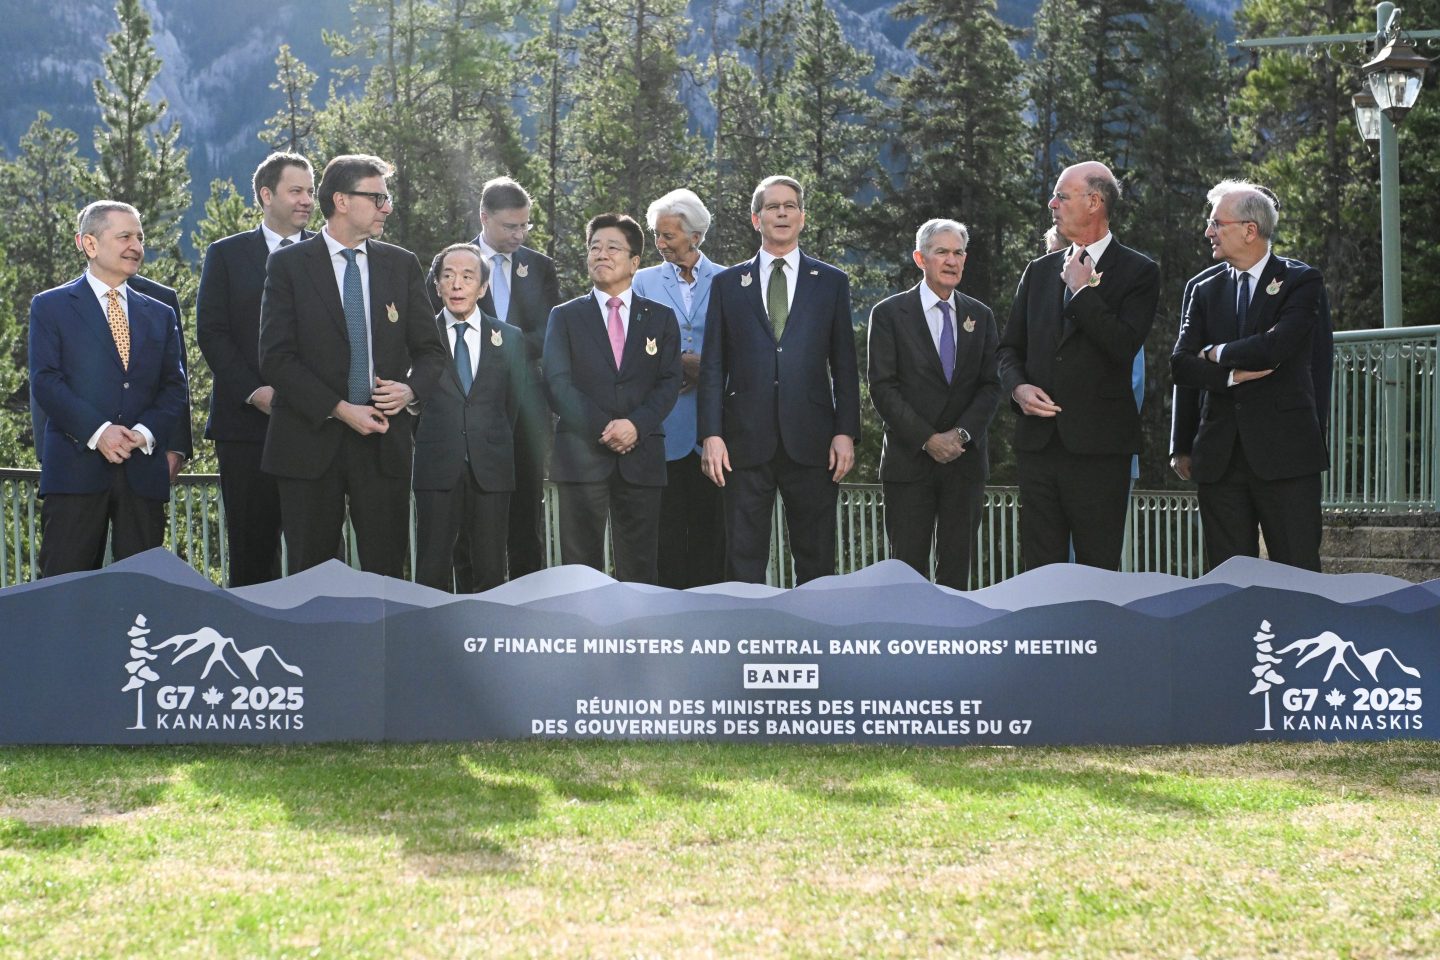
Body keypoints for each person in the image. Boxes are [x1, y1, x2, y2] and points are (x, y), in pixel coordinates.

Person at [258, 154, 447, 578]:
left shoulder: (400, 264)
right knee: (313, 577)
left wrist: (411, 390)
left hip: (383, 443)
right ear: (341, 200)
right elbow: (276, 358)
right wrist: (341, 409)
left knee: (386, 574)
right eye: (377, 197)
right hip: (309, 444)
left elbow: (432, 352)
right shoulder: (288, 264)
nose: (387, 206)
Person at [698, 175, 861, 585]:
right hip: (742, 443)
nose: (782, 213)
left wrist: (846, 432)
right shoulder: (727, 285)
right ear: (757, 219)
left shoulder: (832, 283)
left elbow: (845, 366)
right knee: (742, 559)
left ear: (802, 217)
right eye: (773, 207)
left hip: (813, 441)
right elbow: (714, 366)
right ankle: (745, 642)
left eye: (790, 206)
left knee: (816, 556)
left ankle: (815, 643)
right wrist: (711, 434)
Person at [997, 161, 1159, 571]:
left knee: (1097, 569)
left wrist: (1082, 291)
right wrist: (1018, 389)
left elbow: (1123, 345)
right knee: (1039, 569)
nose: (1052, 203)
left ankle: (1099, 639)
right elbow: (1008, 350)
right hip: (1038, 446)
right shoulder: (1037, 271)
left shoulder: (1139, 271)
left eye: (1062, 196)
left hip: (1101, 450)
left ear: (1094, 202)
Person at [1171, 180, 1329, 571]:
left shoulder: (1301, 281)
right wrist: (1182, 441)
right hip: (1219, 458)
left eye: (1216, 223)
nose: (1209, 232)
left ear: (1249, 230)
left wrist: (1217, 353)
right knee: (1228, 582)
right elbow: (1181, 366)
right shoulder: (1202, 289)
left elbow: (1277, 348)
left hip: (1287, 455)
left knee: (1298, 572)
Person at [29, 201, 188, 576]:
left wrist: (144, 433)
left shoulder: (160, 313)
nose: (136, 245)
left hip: (142, 472)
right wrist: (99, 433)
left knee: (143, 594)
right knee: (64, 592)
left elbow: (174, 386)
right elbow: (46, 381)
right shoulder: (51, 306)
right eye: (125, 237)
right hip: (75, 470)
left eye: (140, 237)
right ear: (89, 244)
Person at [196, 151, 315, 585]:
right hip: (245, 428)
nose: (306, 200)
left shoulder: (328, 254)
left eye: (310, 191)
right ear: (266, 194)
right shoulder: (226, 255)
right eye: (295, 191)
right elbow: (212, 332)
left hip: (316, 425)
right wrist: (255, 392)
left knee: (319, 552)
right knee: (251, 549)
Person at [542, 213, 681, 583]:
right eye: (594, 247)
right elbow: (557, 384)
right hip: (581, 455)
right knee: (579, 568)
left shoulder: (661, 319)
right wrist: (605, 427)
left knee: (640, 567)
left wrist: (635, 426)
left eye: (612, 247)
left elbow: (669, 383)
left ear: (635, 262)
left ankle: (637, 638)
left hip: (643, 457)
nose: (601, 254)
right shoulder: (565, 316)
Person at [867, 219, 1000, 590]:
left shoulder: (981, 316)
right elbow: (882, 387)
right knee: (906, 576)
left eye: (958, 252)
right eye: (942, 251)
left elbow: (991, 386)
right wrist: (928, 439)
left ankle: (954, 646)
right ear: (920, 258)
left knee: (957, 574)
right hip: (909, 463)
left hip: (965, 462)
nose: (952, 260)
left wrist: (959, 435)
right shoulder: (890, 314)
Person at [413, 244, 530, 593]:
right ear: (436, 285)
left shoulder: (509, 338)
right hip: (436, 465)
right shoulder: (419, 337)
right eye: (447, 276)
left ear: (482, 288)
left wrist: (484, 439)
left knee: (491, 570)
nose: (456, 284)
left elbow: (512, 405)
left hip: (491, 467)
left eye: (467, 276)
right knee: (431, 570)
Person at [631, 189, 726, 588]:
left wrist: (710, 369)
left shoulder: (729, 280)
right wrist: (675, 365)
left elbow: (744, 348)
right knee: (662, 537)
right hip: (662, 427)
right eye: (656, 234)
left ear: (696, 236)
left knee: (713, 536)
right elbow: (628, 346)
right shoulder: (640, 281)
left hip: (715, 430)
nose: (660, 244)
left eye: (668, 235)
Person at [472, 176, 560, 578]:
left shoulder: (539, 267)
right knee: (475, 509)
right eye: (510, 226)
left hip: (528, 407)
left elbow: (550, 333)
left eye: (525, 225)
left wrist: (502, 344)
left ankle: (529, 600)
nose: (519, 234)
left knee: (527, 509)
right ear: (484, 217)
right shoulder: (455, 262)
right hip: (473, 407)